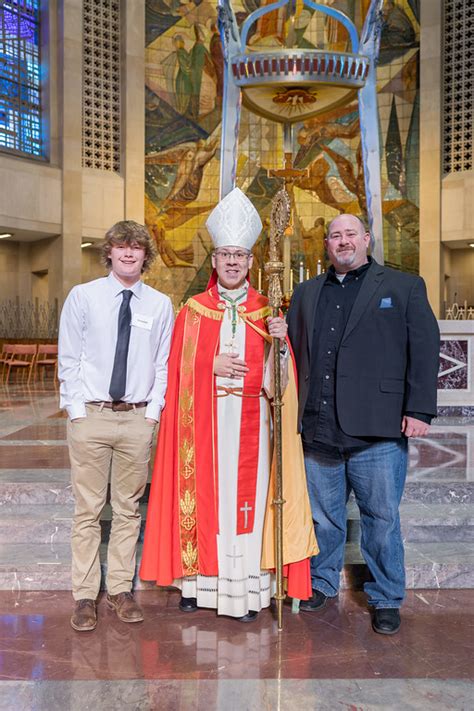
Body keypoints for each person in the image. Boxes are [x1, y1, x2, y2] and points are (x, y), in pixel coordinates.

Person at [140, 187, 317, 621]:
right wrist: (209, 363)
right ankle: (198, 584)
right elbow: (173, 371)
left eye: (240, 255)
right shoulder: (194, 311)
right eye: (225, 255)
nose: (233, 262)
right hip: (206, 426)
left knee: (247, 506)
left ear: (251, 262)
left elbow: (282, 387)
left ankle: (247, 591)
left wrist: (278, 342)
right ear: (215, 261)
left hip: (254, 427)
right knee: (205, 501)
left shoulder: (268, 311)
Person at [287, 213, 440, 635]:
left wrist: (419, 409)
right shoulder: (305, 292)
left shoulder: (403, 286)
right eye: (335, 235)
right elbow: (295, 353)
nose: (343, 241)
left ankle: (387, 596)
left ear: (366, 239)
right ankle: (320, 583)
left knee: (381, 518)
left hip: (378, 428)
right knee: (324, 518)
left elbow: (425, 349)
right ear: (327, 245)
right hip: (319, 426)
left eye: (350, 233)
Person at [58, 220, 174, 632]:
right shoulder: (83, 297)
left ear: (146, 255)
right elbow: (69, 357)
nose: (128, 253)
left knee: (127, 510)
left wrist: (152, 414)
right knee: (87, 510)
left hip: (136, 420)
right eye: (121, 246)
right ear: (109, 252)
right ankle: (85, 596)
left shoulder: (160, 304)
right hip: (91, 415)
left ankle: (121, 590)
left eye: (136, 247)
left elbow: (162, 364)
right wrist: (75, 411)